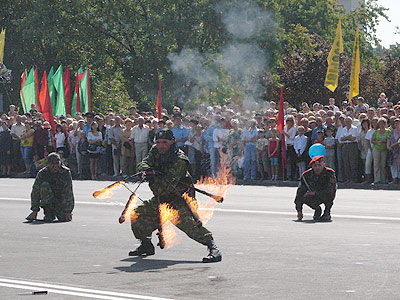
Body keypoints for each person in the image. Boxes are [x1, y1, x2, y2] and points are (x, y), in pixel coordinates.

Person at [129, 129, 222, 263]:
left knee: (190, 227)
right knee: (136, 214)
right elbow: (143, 164)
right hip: (162, 199)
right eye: (159, 142)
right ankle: (146, 245)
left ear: (172, 142)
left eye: (164, 142)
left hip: (179, 200)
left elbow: (166, 185)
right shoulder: (155, 150)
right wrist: (146, 170)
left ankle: (213, 248)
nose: (160, 145)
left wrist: (153, 176)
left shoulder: (179, 159)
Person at [25, 152, 74, 222]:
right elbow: (35, 192)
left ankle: (60, 213)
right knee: (45, 185)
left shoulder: (65, 172)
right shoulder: (42, 173)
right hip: (48, 202)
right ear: (47, 164)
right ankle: (48, 212)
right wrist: (35, 210)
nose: (55, 166)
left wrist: (68, 211)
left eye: (57, 163)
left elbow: (68, 192)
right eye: (52, 164)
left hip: (60, 202)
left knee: (64, 219)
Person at [294, 156, 337, 222]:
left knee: (329, 195)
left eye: (319, 165)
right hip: (314, 196)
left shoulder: (329, 173)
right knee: (304, 196)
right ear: (312, 166)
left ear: (323, 165)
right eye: (315, 165)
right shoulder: (306, 175)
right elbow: (299, 193)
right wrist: (299, 211)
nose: (317, 168)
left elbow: (331, 190)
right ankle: (317, 210)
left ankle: (327, 212)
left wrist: (315, 193)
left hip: (325, 194)